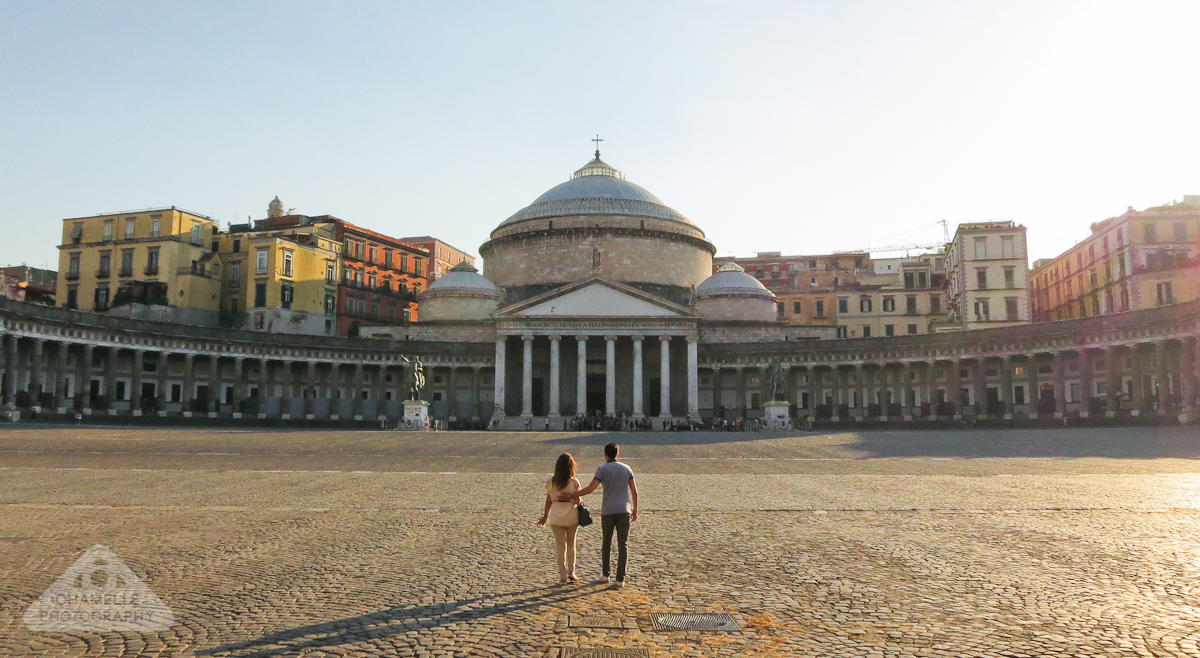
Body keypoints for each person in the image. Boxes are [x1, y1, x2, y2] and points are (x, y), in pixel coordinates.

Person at [560, 442, 637, 588]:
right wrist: (635, 510)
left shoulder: (602, 469)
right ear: (617, 453)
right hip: (624, 510)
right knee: (623, 545)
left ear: (605, 454)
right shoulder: (627, 468)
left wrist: (572, 495)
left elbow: (590, 488)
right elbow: (634, 491)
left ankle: (605, 574)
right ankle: (620, 579)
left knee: (606, 543)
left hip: (608, 510)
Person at [537, 453, 582, 584]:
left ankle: (562, 575)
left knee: (560, 546)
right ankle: (571, 572)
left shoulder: (551, 482)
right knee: (571, 544)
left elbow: (548, 501)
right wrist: (569, 497)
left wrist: (545, 516)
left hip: (556, 516)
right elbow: (578, 501)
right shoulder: (574, 482)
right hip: (571, 516)